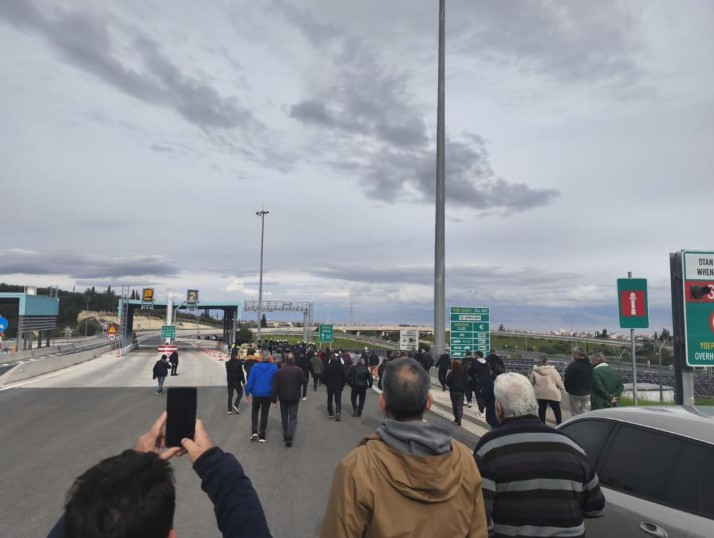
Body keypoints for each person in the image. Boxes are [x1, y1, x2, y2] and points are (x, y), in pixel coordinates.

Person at [320, 359, 488, 537]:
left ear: (383, 403)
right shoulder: (464, 460)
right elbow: (478, 531)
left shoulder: (356, 467)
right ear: (429, 402)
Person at [46, 412, 272, 538]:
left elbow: (81, 513)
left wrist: (133, 463)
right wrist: (212, 462)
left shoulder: (78, 521)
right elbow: (244, 517)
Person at [473, 373, 605, 537]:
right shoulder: (572, 446)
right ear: (534, 404)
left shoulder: (489, 448)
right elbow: (596, 508)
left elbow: (479, 515)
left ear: (499, 408)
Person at [272, 354, 305, 447]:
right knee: (293, 417)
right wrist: (304, 394)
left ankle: (286, 434)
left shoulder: (280, 371)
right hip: (295, 396)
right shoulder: (299, 370)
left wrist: (274, 399)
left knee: (284, 417)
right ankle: (290, 436)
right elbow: (304, 382)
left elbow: (275, 386)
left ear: (285, 360)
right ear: (294, 360)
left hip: (283, 397)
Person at [245, 354, 278, 442]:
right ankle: (262, 434)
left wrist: (247, 393)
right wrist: (275, 397)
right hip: (268, 394)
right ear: (270, 358)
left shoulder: (254, 367)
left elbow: (250, 382)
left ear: (260, 358)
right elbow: (276, 383)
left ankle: (254, 432)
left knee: (254, 412)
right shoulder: (274, 368)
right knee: (264, 413)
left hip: (256, 394)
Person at [530, 355, 565, 424]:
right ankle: (559, 423)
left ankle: (542, 424)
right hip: (552, 393)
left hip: (540, 393)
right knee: (556, 409)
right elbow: (558, 381)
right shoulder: (553, 370)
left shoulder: (535, 371)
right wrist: (562, 388)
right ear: (546, 361)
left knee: (542, 409)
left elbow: (532, 381)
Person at [564, 347, 593, 416]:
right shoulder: (590, 365)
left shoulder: (573, 365)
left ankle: (576, 422)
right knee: (585, 411)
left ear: (577, 354)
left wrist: (568, 389)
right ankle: (584, 421)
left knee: (575, 412)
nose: (573, 356)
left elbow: (567, 379)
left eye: (573, 354)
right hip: (587, 392)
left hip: (574, 392)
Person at [322, 354, 346, 421]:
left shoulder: (327, 366)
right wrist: (343, 384)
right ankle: (338, 413)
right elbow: (344, 377)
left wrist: (326, 383)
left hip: (330, 386)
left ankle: (331, 413)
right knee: (338, 400)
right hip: (338, 385)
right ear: (336, 359)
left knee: (330, 399)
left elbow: (323, 377)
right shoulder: (340, 366)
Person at [445, 359, 467, 426]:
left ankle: (456, 418)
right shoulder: (463, 374)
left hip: (453, 391)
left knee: (454, 405)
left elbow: (447, 382)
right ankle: (459, 420)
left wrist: (451, 386)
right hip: (461, 391)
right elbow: (466, 382)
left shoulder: (451, 374)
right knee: (460, 406)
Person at [225, 349, 246, 415]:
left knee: (230, 395)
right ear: (236, 355)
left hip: (230, 381)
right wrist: (243, 381)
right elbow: (241, 373)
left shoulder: (227, 363)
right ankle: (235, 404)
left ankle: (229, 410)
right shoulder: (239, 363)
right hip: (237, 381)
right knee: (240, 393)